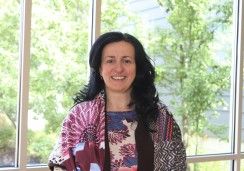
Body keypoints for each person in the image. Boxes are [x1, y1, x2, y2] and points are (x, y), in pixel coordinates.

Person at [48, 32, 186, 171]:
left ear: (136, 67)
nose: (119, 68)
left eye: (126, 61)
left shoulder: (160, 117)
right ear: (100, 68)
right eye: (110, 60)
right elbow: (61, 164)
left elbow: (177, 166)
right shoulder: (78, 116)